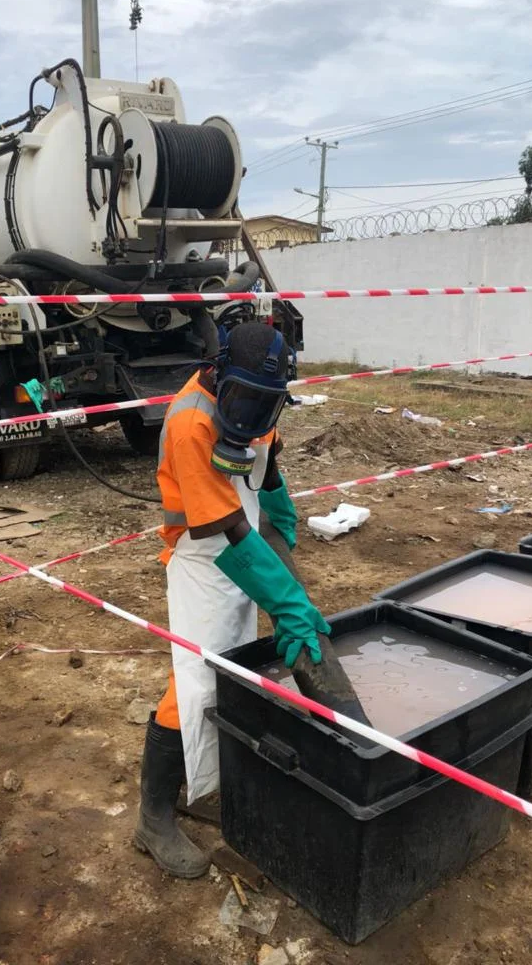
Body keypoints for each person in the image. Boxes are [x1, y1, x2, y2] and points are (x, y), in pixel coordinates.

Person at [134, 321, 330, 878]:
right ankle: (152, 818)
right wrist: (285, 598)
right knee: (194, 683)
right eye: (242, 400)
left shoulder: (261, 406)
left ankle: (202, 782)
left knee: (233, 674)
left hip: (245, 555)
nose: (249, 418)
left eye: (264, 406)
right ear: (218, 374)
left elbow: (269, 471)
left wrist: (282, 518)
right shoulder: (191, 421)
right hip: (203, 558)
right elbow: (226, 530)